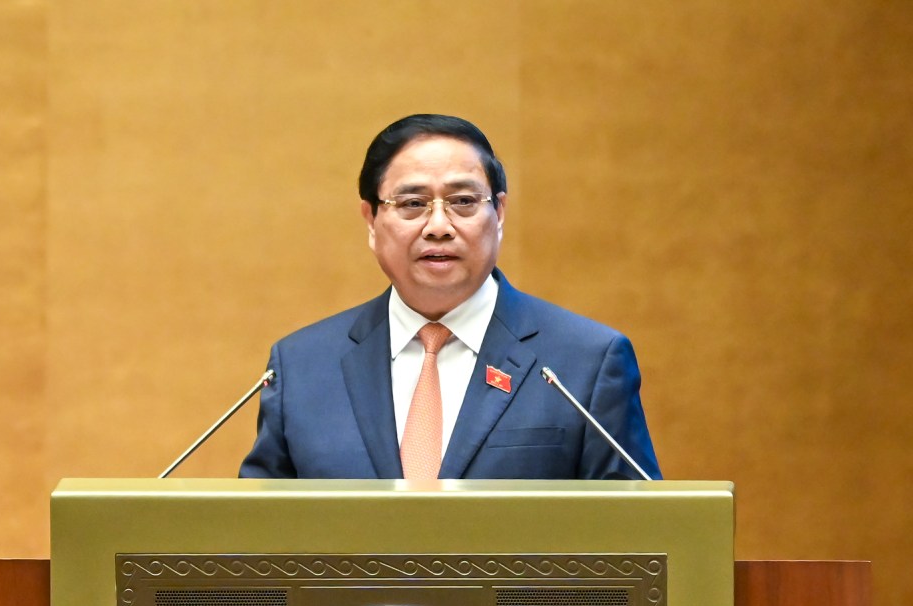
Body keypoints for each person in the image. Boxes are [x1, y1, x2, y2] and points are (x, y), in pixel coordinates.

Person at [239, 114, 660, 480]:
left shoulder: (585, 362)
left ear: (499, 214)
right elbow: (253, 536)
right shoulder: (302, 368)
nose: (438, 225)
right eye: (413, 203)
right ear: (371, 219)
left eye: (462, 201)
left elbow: (643, 537)